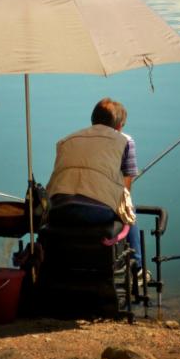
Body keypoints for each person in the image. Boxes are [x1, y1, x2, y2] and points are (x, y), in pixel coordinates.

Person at [46, 97, 144, 273]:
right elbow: (126, 188)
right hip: (95, 212)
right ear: (120, 125)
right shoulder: (125, 141)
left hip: (58, 208)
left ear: (92, 120)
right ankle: (137, 268)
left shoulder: (67, 140)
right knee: (130, 209)